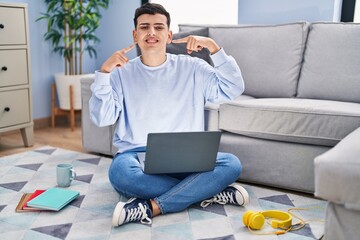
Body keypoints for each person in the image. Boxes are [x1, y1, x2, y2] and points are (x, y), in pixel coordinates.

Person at [89, 2, 249, 227]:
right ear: (135, 35)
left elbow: (233, 88)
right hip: (135, 156)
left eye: (159, 27)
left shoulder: (193, 67)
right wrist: (104, 74)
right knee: (120, 174)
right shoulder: (119, 73)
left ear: (169, 34)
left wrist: (214, 48)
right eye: (144, 27)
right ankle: (208, 190)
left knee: (231, 164)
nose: (152, 32)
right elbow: (102, 118)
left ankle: (152, 207)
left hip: (186, 154)